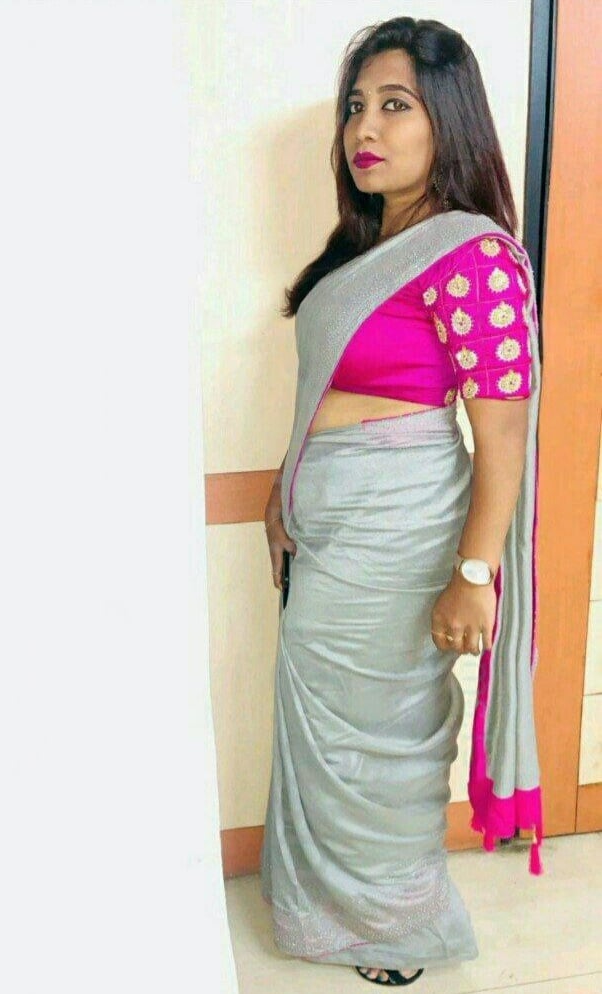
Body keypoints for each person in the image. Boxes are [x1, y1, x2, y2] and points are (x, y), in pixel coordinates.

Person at [260, 16, 544, 988]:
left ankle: (395, 927)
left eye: (394, 106)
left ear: (448, 121)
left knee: (377, 736)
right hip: (329, 527)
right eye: (355, 107)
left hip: (402, 532)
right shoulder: (363, 246)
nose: (364, 129)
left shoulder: (472, 255)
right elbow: (321, 396)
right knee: (323, 724)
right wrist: (284, 492)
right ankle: (326, 915)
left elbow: (503, 435)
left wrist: (475, 572)